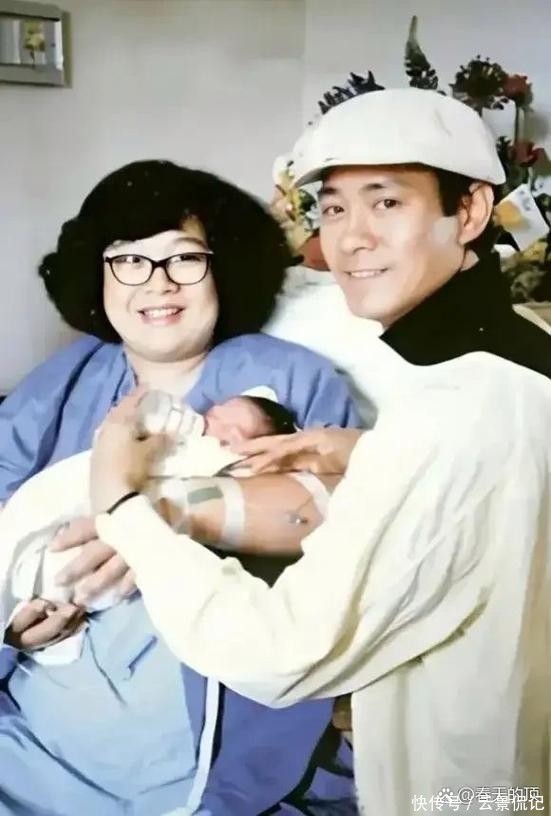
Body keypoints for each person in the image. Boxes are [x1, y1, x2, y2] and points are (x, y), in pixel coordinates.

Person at [90, 90, 551, 816]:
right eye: (333, 209)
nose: (350, 240)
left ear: (468, 212)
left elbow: (282, 652)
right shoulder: (522, 357)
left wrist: (120, 505)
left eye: (386, 203)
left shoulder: (453, 413)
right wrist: (369, 452)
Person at [0, 160, 360, 815]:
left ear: (223, 267)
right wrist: (16, 629)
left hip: (199, 744)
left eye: (184, 258)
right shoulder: (56, 388)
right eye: (128, 260)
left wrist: (155, 518)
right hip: (34, 736)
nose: (157, 282)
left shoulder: (293, 380)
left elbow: (343, 536)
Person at [0, 390, 300, 667]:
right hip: (54, 524)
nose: (213, 418)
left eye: (232, 429)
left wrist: (161, 512)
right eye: (215, 414)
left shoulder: (236, 467)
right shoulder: (61, 392)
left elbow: (298, 499)